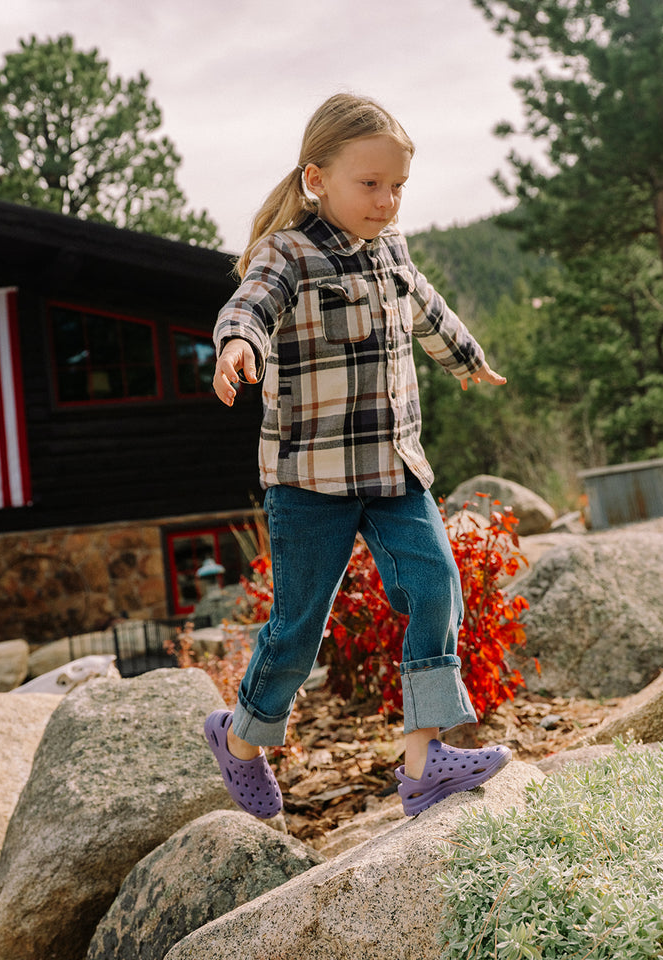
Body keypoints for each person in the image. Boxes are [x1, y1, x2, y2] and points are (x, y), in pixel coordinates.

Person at [203, 92, 511, 819]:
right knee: (298, 630)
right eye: (369, 184)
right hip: (310, 479)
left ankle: (424, 761)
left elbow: (424, 305)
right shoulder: (291, 253)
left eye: (398, 186)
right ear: (318, 179)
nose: (386, 201)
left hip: (394, 468)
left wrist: (465, 357)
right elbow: (250, 302)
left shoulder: (393, 248)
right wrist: (238, 343)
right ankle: (240, 739)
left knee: (437, 587)